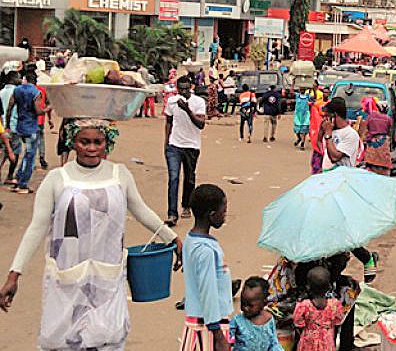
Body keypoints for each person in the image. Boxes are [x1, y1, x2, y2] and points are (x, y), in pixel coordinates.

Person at [0, 119, 182, 350]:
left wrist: (172, 238)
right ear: (73, 142)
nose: (92, 148)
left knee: (108, 339)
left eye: (98, 142)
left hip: (107, 280)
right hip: (66, 279)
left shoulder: (119, 175)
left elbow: (141, 210)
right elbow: (37, 227)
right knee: (63, 341)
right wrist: (14, 274)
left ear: (108, 143)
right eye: (84, 142)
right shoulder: (57, 179)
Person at [181, 184, 233, 351]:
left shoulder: (191, 240)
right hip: (208, 327)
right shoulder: (205, 251)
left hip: (197, 321)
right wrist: (218, 336)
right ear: (211, 215)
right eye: (223, 211)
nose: (224, 216)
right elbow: (208, 292)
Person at [165, 75, 207, 226]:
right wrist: (166, 143)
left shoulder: (198, 102)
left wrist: (187, 110)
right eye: (180, 89)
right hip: (174, 145)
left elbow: (201, 124)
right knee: (173, 178)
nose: (183, 92)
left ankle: (186, 205)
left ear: (191, 87)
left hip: (192, 146)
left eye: (185, 89)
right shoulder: (171, 102)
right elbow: (168, 122)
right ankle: (172, 214)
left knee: (189, 178)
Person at [5, 70, 46, 193]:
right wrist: (48, 108)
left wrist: (7, 124)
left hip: (20, 126)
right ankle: (23, 184)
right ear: (35, 80)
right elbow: (38, 111)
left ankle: (18, 178)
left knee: (25, 154)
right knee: (30, 156)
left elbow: (10, 108)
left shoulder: (17, 90)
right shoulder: (35, 92)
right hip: (31, 128)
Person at [292, 266, 346, 351]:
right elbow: (338, 321)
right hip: (327, 344)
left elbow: (298, 323)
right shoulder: (335, 304)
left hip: (307, 344)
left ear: (308, 287)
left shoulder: (303, 306)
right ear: (329, 287)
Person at [229, 276, 282, 351]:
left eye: (250, 305)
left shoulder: (269, 319)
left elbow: (274, 343)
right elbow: (227, 337)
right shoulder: (237, 320)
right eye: (243, 303)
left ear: (264, 303)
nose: (245, 308)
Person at [320, 97, 362, 171]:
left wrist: (328, 135)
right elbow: (319, 144)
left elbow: (334, 157)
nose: (324, 119)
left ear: (334, 115)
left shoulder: (350, 134)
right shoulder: (330, 130)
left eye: (327, 116)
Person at [361, 100, 393, 176]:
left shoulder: (371, 116)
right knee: (384, 164)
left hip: (372, 143)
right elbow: (390, 132)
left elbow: (366, 129)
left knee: (371, 163)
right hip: (384, 143)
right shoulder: (388, 119)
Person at [0, 71, 21, 184]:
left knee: (3, 151)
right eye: (18, 77)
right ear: (13, 79)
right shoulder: (17, 92)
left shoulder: (1, 92)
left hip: (1, 126)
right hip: (12, 125)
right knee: (15, 152)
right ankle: (9, 175)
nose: (20, 79)